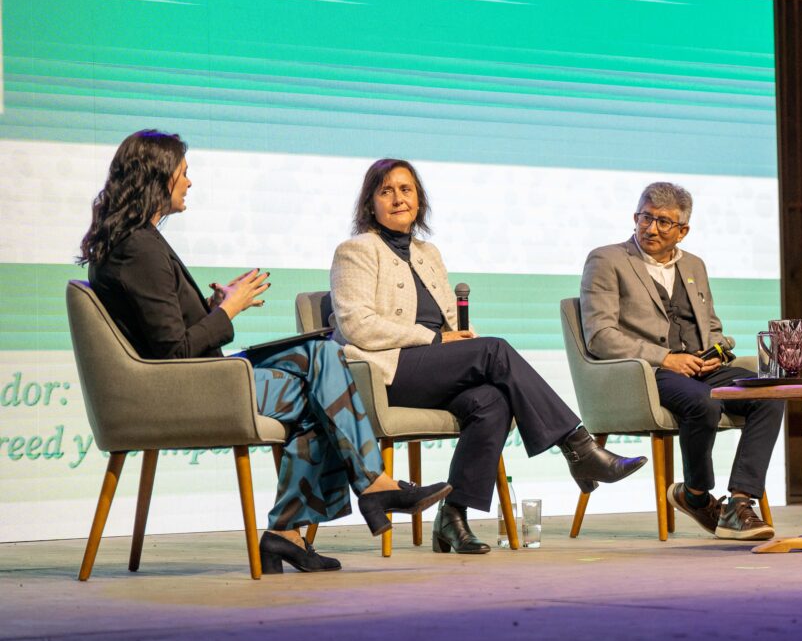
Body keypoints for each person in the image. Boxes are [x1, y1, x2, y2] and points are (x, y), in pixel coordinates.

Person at [80, 130, 450, 575]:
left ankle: (291, 535)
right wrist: (229, 311)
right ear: (157, 178)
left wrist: (215, 307)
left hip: (191, 380)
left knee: (323, 367)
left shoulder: (134, 242)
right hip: (179, 390)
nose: (189, 182)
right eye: (183, 173)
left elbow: (171, 333)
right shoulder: (138, 248)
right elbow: (175, 350)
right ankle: (365, 487)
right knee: (324, 376)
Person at [329, 158, 646, 555]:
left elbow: (446, 322)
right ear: (370, 203)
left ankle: (453, 516)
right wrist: (435, 341)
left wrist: (455, 340)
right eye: (386, 190)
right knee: (494, 350)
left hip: (432, 370)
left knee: (493, 402)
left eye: (406, 189)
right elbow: (356, 325)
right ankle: (579, 447)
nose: (398, 198)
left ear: (419, 200)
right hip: (387, 373)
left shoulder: (429, 252)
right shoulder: (355, 251)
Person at [580, 182, 783, 541]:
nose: (651, 228)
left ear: (683, 231)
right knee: (701, 402)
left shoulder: (693, 265)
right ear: (635, 217)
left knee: (770, 393)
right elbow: (600, 336)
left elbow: (712, 326)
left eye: (663, 222)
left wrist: (716, 351)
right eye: (646, 218)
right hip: (646, 373)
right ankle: (696, 494)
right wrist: (667, 358)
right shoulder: (607, 259)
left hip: (701, 369)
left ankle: (739, 502)